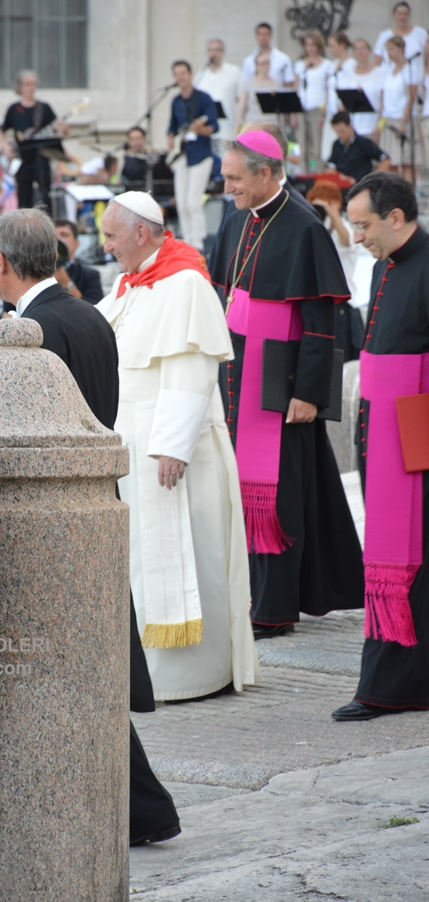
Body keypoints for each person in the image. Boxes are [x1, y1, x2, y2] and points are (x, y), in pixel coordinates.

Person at [0, 207, 180, 845]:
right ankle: (141, 811)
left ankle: (135, 811)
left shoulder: (35, 328)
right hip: (96, 499)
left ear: (5, 264)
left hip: (52, 517)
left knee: (69, 672)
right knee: (87, 670)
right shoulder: (87, 311)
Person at [98, 190, 259, 700]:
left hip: (172, 448)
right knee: (141, 564)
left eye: (111, 235)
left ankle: (192, 675)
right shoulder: (127, 284)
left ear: (140, 233)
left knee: (190, 554)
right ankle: (146, 671)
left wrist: (173, 444)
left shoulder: (186, 281)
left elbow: (193, 367)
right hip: (132, 442)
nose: (105, 246)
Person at [213, 130, 364, 638]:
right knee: (247, 493)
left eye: (235, 177)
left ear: (265, 172)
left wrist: (309, 393)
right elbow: (223, 296)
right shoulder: (235, 221)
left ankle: (274, 610)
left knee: (278, 496)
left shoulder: (303, 226)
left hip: (283, 383)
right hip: (236, 377)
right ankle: (254, 594)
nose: (226, 185)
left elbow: (323, 321)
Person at [333, 173, 429, 720]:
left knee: (410, 558)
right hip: (381, 428)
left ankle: (389, 686)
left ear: (396, 217)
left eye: (364, 226)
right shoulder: (380, 266)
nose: (358, 238)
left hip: (414, 429)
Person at [305, 180, 363, 362]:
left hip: (342, 305)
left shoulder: (344, 226)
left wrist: (333, 213)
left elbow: (346, 241)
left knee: (341, 360)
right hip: (318, 301)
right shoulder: (314, 226)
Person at [0, 70, 68, 214]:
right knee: (24, 199)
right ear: (20, 87)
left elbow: (58, 131)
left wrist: (65, 130)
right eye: (28, 84)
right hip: (22, 159)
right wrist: (5, 146)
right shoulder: (14, 109)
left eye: (34, 84)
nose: (31, 88)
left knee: (46, 197)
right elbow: (1, 131)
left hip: (42, 159)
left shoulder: (44, 108)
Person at [167, 60, 218, 251]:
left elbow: (214, 126)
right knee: (181, 202)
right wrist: (170, 138)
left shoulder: (203, 98)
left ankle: (198, 242)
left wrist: (199, 129)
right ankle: (187, 240)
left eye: (183, 73)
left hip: (200, 154)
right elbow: (171, 127)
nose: (180, 77)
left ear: (190, 74)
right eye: (177, 74)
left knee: (193, 201)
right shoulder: (175, 101)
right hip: (182, 154)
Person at [377, 35, 419, 183]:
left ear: (401, 49)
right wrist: (380, 120)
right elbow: (383, 98)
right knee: (392, 162)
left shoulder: (409, 69)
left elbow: (411, 97)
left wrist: (403, 121)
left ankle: (411, 191)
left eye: (392, 49)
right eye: (387, 50)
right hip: (389, 118)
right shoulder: (388, 70)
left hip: (402, 118)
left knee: (406, 161)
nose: (390, 53)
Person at [294, 31, 334, 172]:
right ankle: (304, 177)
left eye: (313, 45)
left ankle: (318, 176)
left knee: (317, 148)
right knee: (303, 148)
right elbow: (296, 88)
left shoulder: (327, 65)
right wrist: (294, 113)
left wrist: (324, 111)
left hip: (317, 108)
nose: (310, 48)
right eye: (307, 45)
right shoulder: (300, 65)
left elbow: (329, 89)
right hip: (301, 108)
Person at [194, 38, 242, 152]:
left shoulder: (234, 72)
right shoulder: (201, 75)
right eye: (211, 50)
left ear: (222, 52)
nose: (214, 53)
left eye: (217, 50)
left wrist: (238, 127)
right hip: (207, 133)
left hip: (227, 131)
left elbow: (241, 100)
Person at [327, 111, 390, 183]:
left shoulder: (363, 143)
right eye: (337, 132)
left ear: (350, 125)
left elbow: (385, 160)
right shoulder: (336, 144)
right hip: (344, 186)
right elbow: (330, 167)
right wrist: (343, 178)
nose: (340, 135)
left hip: (362, 185)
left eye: (342, 131)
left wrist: (373, 179)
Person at [322, 32, 356, 161]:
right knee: (328, 147)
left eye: (332, 45)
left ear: (342, 45)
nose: (330, 49)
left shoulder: (351, 64)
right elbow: (328, 88)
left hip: (342, 111)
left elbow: (349, 87)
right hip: (331, 110)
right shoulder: (332, 65)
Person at [374, 1, 427, 83]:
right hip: (390, 81)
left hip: (415, 81)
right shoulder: (384, 35)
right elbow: (377, 61)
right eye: (400, 14)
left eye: (405, 14)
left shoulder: (420, 33)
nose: (402, 17)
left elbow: (427, 57)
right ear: (394, 15)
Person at [342, 38, 385, 139]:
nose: (360, 52)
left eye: (363, 48)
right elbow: (344, 102)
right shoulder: (348, 75)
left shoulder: (380, 72)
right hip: (354, 125)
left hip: (372, 124)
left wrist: (379, 125)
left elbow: (383, 100)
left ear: (369, 51)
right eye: (357, 49)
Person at [54, 219, 103, 303]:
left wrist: (67, 283)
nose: (58, 239)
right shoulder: (37, 272)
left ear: (76, 243)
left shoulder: (89, 275)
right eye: (53, 235)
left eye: (64, 235)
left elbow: (95, 310)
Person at [234, 52, 279, 133]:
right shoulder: (248, 84)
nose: (266, 66)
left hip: (272, 125)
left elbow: (280, 110)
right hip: (254, 124)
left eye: (267, 62)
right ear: (256, 66)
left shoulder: (276, 83)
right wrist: (237, 127)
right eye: (262, 63)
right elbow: (241, 107)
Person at [242, 22, 295, 87]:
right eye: (260, 35)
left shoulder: (283, 59)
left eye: (266, 34)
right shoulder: (248, 61)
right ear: (256, 37)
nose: (263, 38)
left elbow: (288, 83)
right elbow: (245, 84)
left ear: (271, 36)